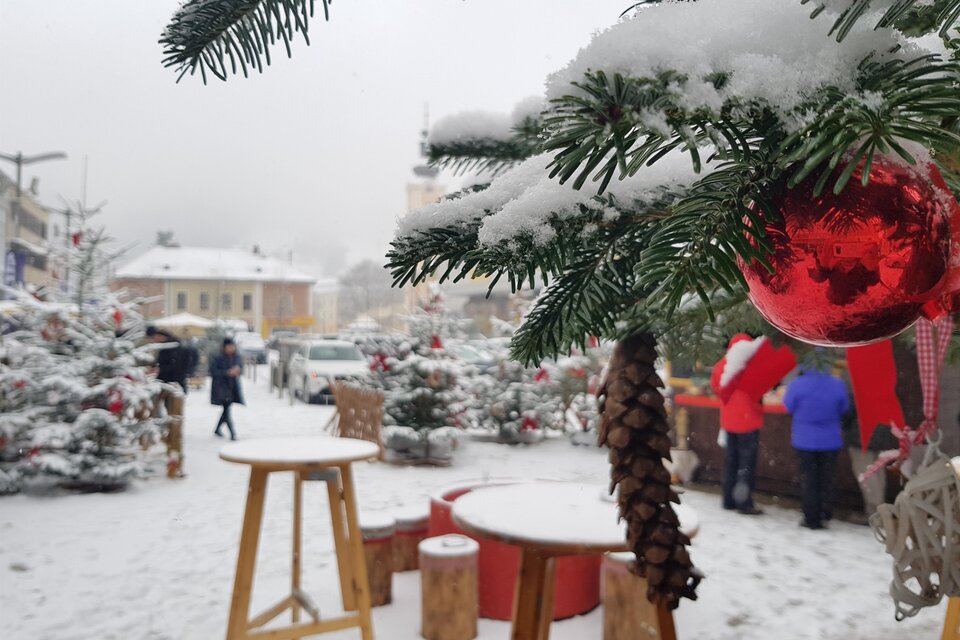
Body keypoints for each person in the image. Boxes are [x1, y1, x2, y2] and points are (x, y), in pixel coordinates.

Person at [784, 358, 849, 530]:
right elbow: (844, 408)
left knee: (809, 480)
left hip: (804, 440)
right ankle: (824, 513)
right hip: (830, 440)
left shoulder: (797, 384)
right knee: (826, 479)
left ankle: (810, 516)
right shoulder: (837, 384)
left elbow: (788, 406)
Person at [710, 334, 766, 515]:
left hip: (729, 422)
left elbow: (716, 388)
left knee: (731, 462)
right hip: (748, 422)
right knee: (745, 465)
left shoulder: (721, 365)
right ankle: (743, 502)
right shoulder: (753, 366)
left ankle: (728, 500)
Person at [210, 338, 244, 440]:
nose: (231, 349)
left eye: (232, 346)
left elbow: (240, 368)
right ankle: (233, 433)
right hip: (221, 387)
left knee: (226, 409)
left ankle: (217, 429)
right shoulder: (218, 357)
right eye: (228, 347)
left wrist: (237, 371)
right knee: (227, 410)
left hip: (232, 387)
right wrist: (227, 372)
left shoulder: (236, 357)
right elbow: (213, 371)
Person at [146, 326, 196, 393]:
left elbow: (176, 365)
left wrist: (160, 369)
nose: (154, 340)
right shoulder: (165, 347)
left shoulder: (174, 347)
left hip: (173, 381)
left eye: (156, 337)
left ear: (162, 337)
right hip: (169, 380)